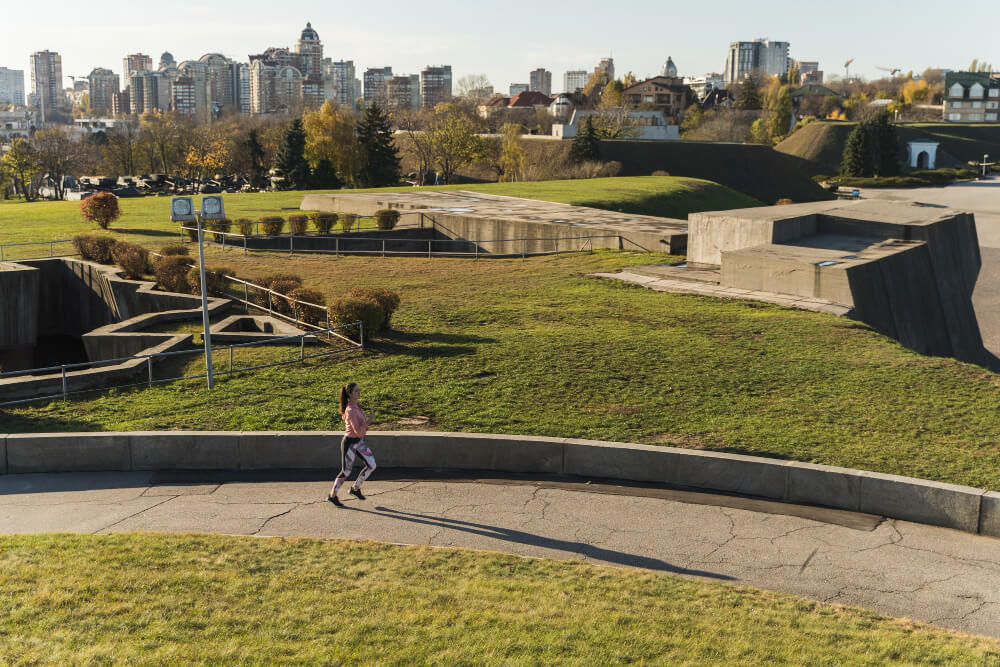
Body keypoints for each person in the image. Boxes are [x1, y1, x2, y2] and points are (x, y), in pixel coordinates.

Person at [328, 382, 376, 507]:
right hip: (350, 442)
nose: (359, 393)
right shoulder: (350, 410)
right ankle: (332, 495)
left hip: (358, 442)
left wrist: (366, 423)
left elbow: (360, 431)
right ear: (349, 394)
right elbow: (358, 431)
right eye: (356, 391)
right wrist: (370, 421)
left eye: (359, 390)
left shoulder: (357, 406)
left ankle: (355, 488)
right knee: (346, 471)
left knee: (372, 465)